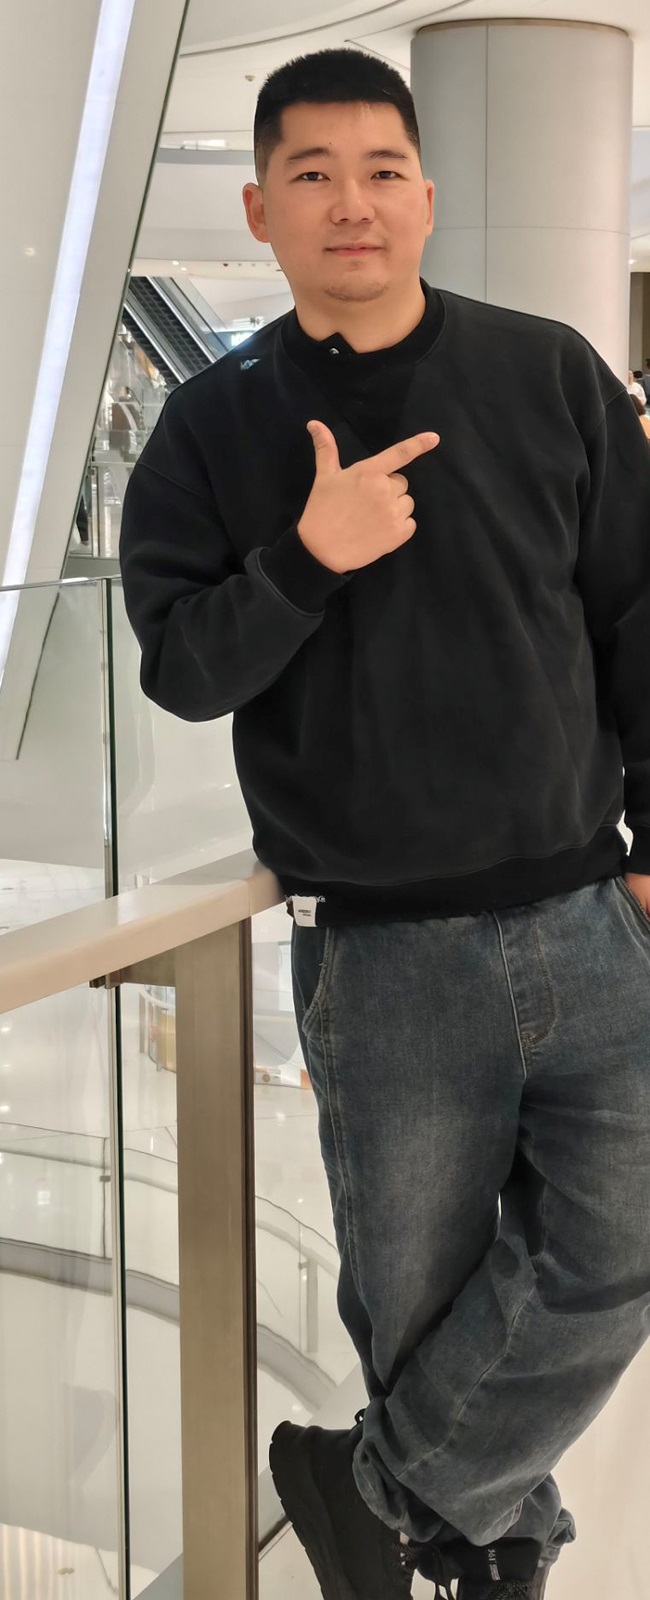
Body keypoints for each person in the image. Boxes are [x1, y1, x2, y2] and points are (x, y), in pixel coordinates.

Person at [119, 46, 650, 1600]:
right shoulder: (211, 428)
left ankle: (375, 1488)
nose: (349, 203)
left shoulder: (548, 372)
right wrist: (307, 555)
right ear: (260, 211)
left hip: (586, 913)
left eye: (378, 171)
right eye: (311, 175)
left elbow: (636, 616)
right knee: (417, 1301)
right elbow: (180, 670)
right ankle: (490, 1545)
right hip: (384, 952)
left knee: (618, 1239)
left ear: (425, 195)